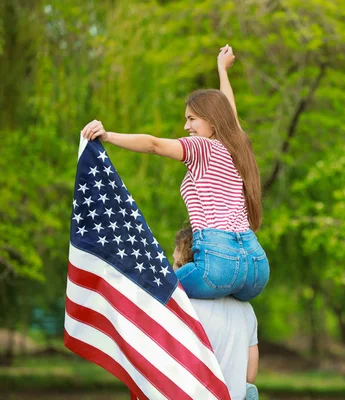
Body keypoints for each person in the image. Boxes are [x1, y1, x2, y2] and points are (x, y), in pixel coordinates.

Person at [81, 44, 270, 302]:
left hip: (219, 266)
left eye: (192, 119)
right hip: (256, 267)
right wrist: (222, 72)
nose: (186, 125)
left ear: (212, 120)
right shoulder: (236, 146)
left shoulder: (201, 147)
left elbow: (153, 145)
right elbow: (230, 113)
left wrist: (108, 136)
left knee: (148, 293)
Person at [173, 227, 259, 400]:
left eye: (175, 262)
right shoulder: (246, 309)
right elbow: (250, 375)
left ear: (187, 267)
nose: (172, 268)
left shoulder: (183, 307)